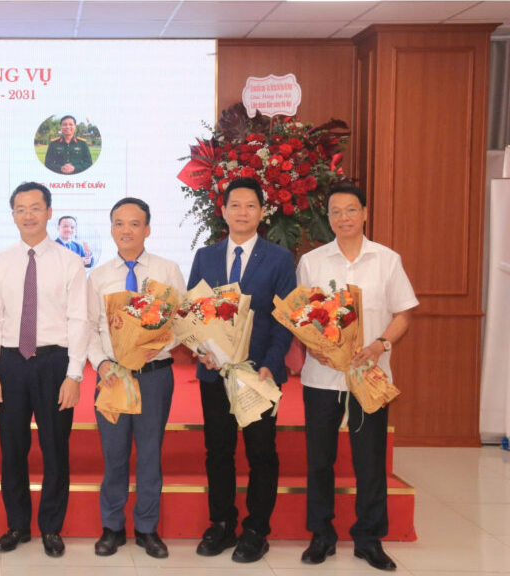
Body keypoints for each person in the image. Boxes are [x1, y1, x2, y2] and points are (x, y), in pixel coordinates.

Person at [297, 184, 417, 572]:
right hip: (322, 376)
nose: (343, 217)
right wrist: (312, 344)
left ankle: (368, 539)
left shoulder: (387, 260)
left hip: (370, 375)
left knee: (370, 460)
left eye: (351, 209)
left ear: (365, 213)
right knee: (320, 459)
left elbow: (403, 313)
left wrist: (381, 344)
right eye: (335, 211)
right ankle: (321, 535)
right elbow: (300, 315)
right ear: (328, 217)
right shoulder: (312, 261)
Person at [188, 177, 296, 563]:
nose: (242, 212)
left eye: (251, 205)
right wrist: (202, 350)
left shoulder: (280, 259)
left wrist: (271, 364)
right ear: (223, 211)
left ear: (262, 212)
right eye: (235, 205)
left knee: (261, 452)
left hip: (258, 375)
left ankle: (256, 530)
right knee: (218, 450)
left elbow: (284, 319)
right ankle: (221, 523)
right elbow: (194, 312)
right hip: (215, 372)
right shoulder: (205, 256)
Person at [0, 182, 87, 558]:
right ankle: (17, 525)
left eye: (35, 208)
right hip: (11, 363)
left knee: (55, 448)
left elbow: (79, 320)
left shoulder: (69, 262)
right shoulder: (1, 263)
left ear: (49, 212)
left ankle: (51, 528)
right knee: (12, 449)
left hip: (54, 363)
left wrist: (74, 375)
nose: (28, 215)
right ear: (13, 215)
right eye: (21, 209)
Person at [86, 197, 185, 559]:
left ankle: (147, 528)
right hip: (112, 376)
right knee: (114, 455)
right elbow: (89, 328)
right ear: (111, 228)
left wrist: (154, 346)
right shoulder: (98, 276)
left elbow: (181, 322)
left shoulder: (167, 270)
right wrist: (101, 364)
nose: (126, 230)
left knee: (149, 455)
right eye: (119, 223)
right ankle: (112, 527)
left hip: (154, 375)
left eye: (134, 223)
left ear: (147, 229)